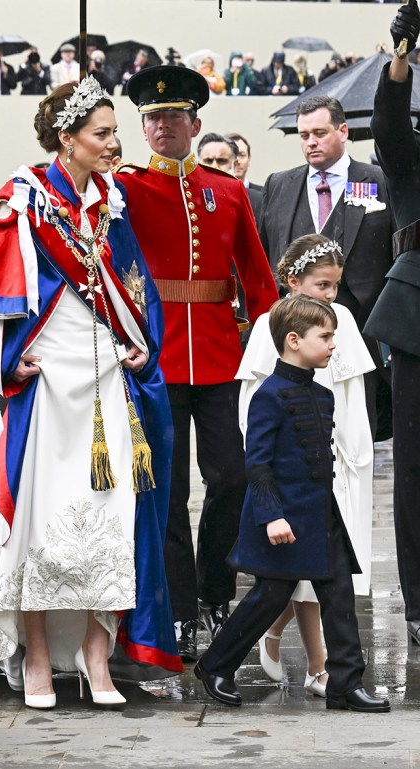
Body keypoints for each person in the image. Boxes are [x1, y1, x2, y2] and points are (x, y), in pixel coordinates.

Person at [0, 76, 183, 709]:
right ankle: (38, 658)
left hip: (107, 373)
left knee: (112, 519)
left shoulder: (114, 202)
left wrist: (144, 341)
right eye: (103, 134)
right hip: (47, 380)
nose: (115, 144)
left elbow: (133, 281)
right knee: (40, 522)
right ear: (65, 138)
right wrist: (9, 361)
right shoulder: (23, 200)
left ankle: (97, 657)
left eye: (115, 132)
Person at [118, 65, 279, 660]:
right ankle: (180, 610)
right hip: (153, 358)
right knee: (166, 492)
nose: (163, 127)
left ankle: (215, 592)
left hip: (218, 356)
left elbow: (258, 280)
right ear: (143, 127)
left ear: (195, 123)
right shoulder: (125, 188)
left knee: (231, 479)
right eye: (153, 119)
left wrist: (273, 348)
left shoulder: (229, 190)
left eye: (173, 117)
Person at [194, 295, 390, 714]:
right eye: (326, 336)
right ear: (295, 340)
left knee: (339, 596)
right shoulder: (269, 394)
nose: (334, 345)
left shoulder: (322, 395)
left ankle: (345, 683)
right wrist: (272, 516)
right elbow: (258, 463)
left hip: (321, 516)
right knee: (269, 596)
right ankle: (215, 666)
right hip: (282, 518)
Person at [237, 234, 375, 696]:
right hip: (292, 467)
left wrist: (357, 451)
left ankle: (320, 663)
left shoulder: (346, 322)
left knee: (330, 574)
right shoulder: (269, 324)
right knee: (293, 572)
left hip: (338, 461)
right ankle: (317, 664)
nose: (330, 296)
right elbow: (254, 401)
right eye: (321, 285)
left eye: (335, 286)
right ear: (293, 280)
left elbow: (353, 391)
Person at [259, 94, 394, 441]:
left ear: (343, 130)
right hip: (293, 339)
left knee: (358, 435)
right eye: (304, 135)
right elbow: (264, 255)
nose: (311, 142)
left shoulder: (380, 181)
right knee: (296, 438)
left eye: (319, 132)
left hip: (362, 333)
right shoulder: (279, 184)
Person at [365, 0, 420, 646]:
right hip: (416, 318)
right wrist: (401, 59)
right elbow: (389, 129)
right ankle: (417, 599)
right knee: (414, 469)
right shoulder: (410, 160)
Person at [226, 132, 262, 223]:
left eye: (242, 155)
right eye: (232, 155)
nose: (237, 161)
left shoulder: (264, 194)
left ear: (249, 158)